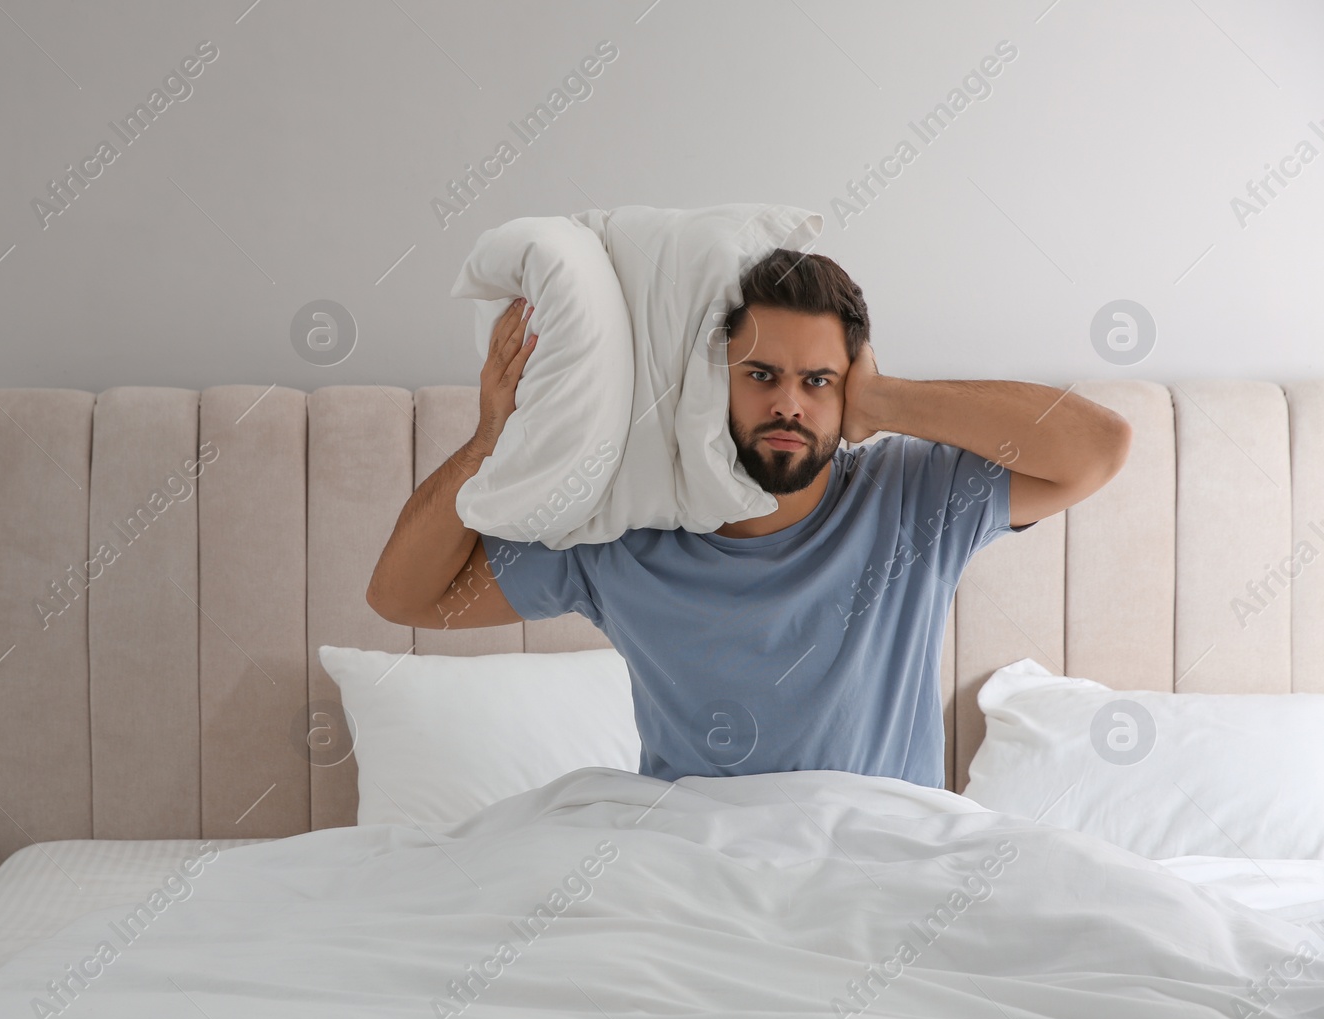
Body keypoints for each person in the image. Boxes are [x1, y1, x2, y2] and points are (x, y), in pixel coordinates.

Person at [365, 250, 1131, 788]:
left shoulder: (913, 500)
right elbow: (404, 598)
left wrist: (881, 399)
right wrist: (490, 437)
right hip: (697, 875)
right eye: (761, 376)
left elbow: (1098, 447)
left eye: (817, 381)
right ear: (713, 385)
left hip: (885, 865)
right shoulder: (621, 531)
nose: (789, 403)